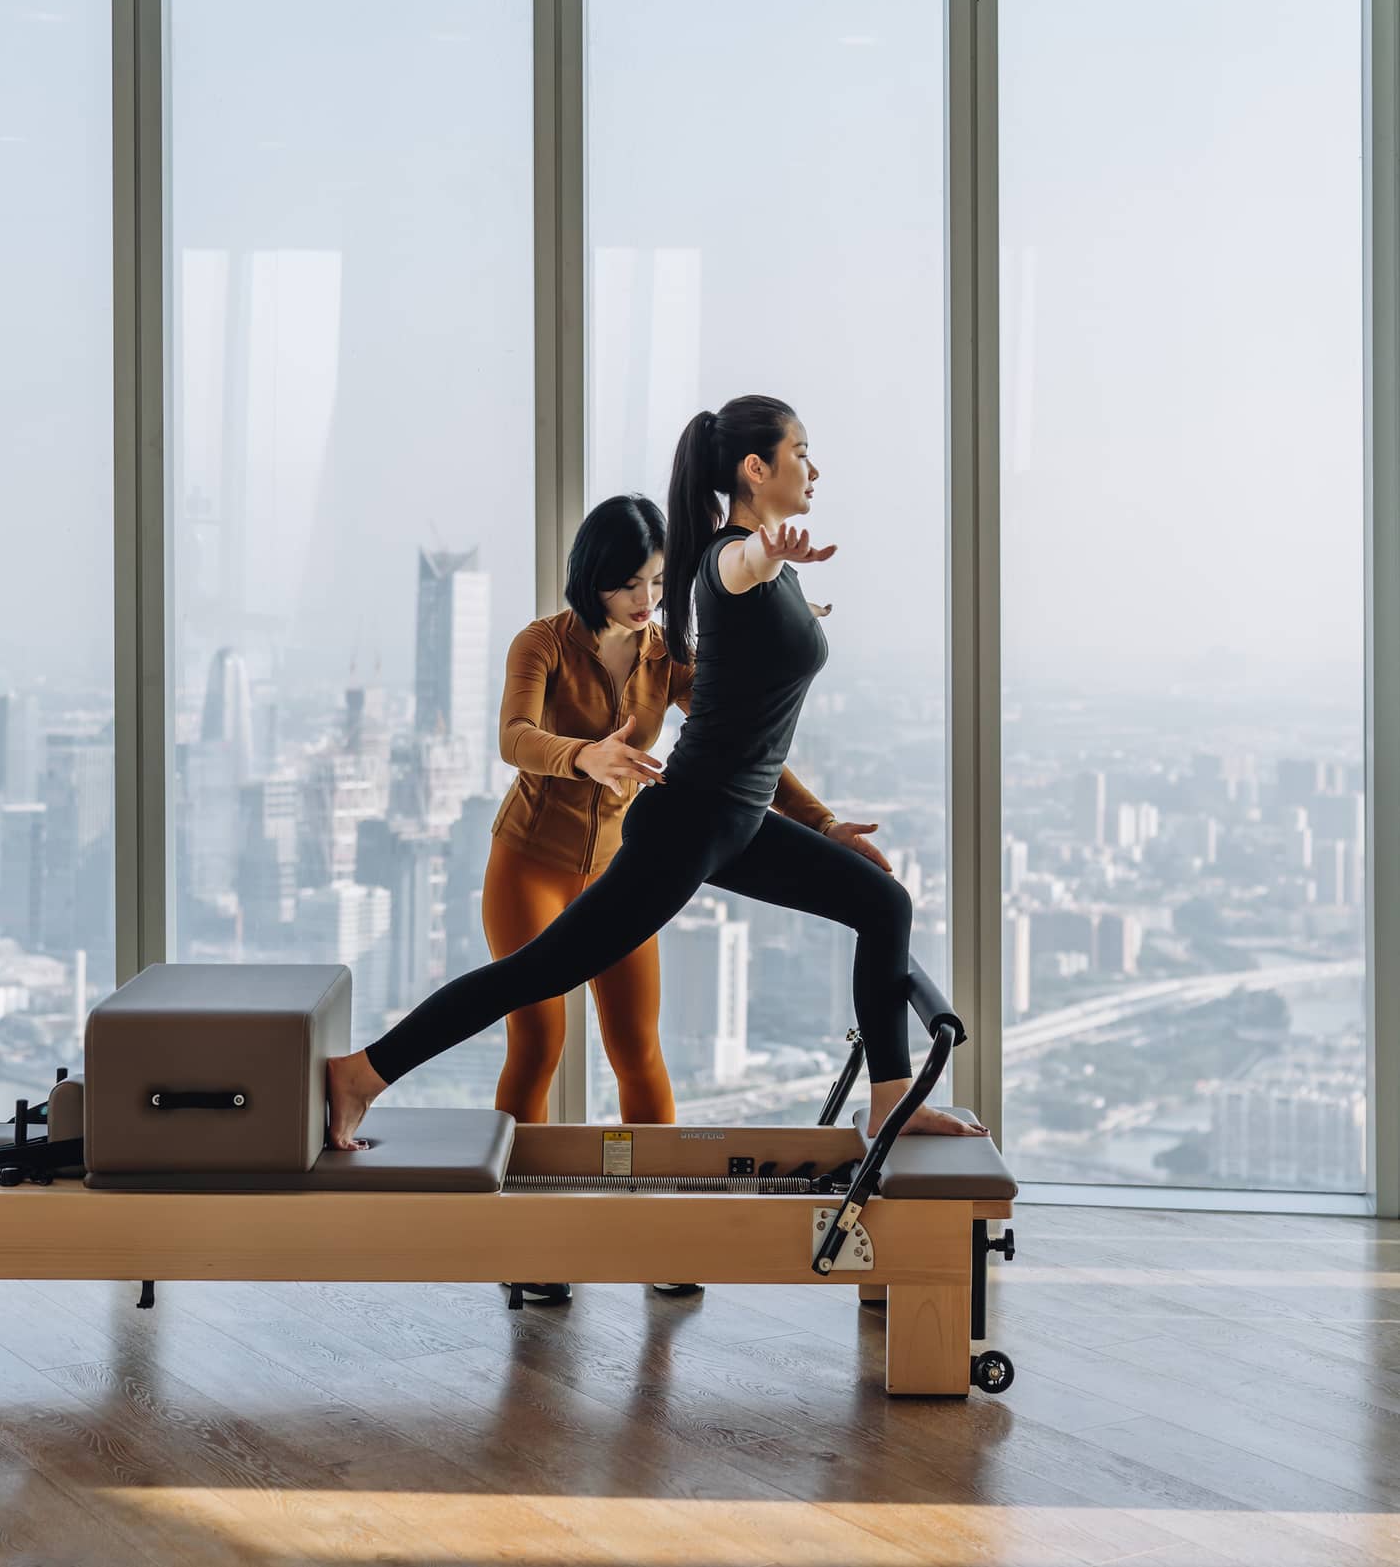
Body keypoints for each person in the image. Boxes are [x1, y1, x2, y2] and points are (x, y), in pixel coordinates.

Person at [328, 393, 989, 1152]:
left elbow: (747, 730)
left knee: (884, 904)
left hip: (737, 822)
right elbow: (734, 566)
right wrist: (768, 553)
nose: (814, 468)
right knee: (536, 979)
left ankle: (890, 1103)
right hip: (687, 824)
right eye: (801, 452)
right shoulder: (729, 561)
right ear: (755, 467)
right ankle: (362, 1074)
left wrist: (825, 823)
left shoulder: (724, 606)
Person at [486, 493, 842, 1129]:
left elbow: (742, 748)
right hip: (529, 865)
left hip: (621, 871)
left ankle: (656, 1184)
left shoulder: (668, 654)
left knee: (638, 1049)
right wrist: (584, 755)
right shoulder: (542, 644)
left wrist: (822, 822)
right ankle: (514, 1185)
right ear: (591, 576)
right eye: (628, 584)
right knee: (538, 1043)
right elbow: (514, 737)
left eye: (656, 581)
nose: (646, 598)